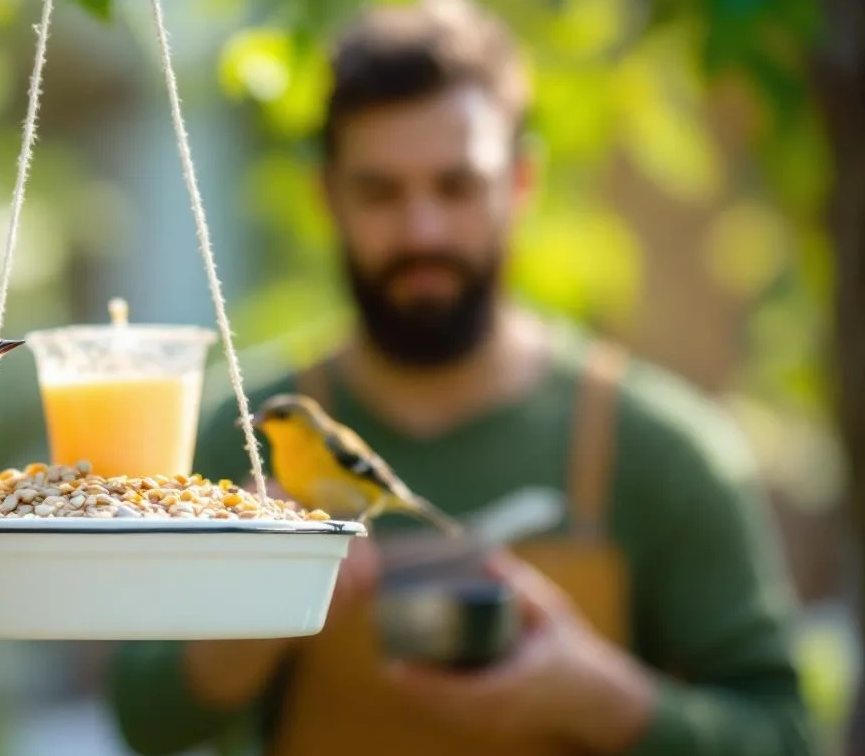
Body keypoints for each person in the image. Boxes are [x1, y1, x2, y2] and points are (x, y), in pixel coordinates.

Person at [106, 0, 821, 755]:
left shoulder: (668, 455)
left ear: (519, 183)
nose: (422, 232)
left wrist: (607, 702)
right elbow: (138, 717)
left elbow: (788, 735)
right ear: (327, 196)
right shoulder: (238, 443)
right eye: (381, 191)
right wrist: (246, 622)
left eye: (456, 186)